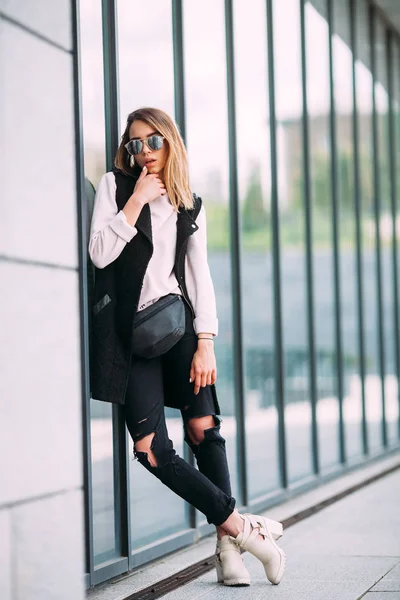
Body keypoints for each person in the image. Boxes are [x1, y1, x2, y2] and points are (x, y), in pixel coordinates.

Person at [88, 107, 286, 586]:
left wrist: (207, 343)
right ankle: (244, 528)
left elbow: (200, 279)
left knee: (202, 428)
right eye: (134, 144)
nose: (144, 152)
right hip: (128, 340)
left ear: (170, 142)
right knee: (151, 449)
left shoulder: (188, 203)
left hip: (179, 330)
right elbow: (99, 253)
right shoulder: (116, 187)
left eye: (153, 141)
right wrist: (135, 200)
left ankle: (228, 554)